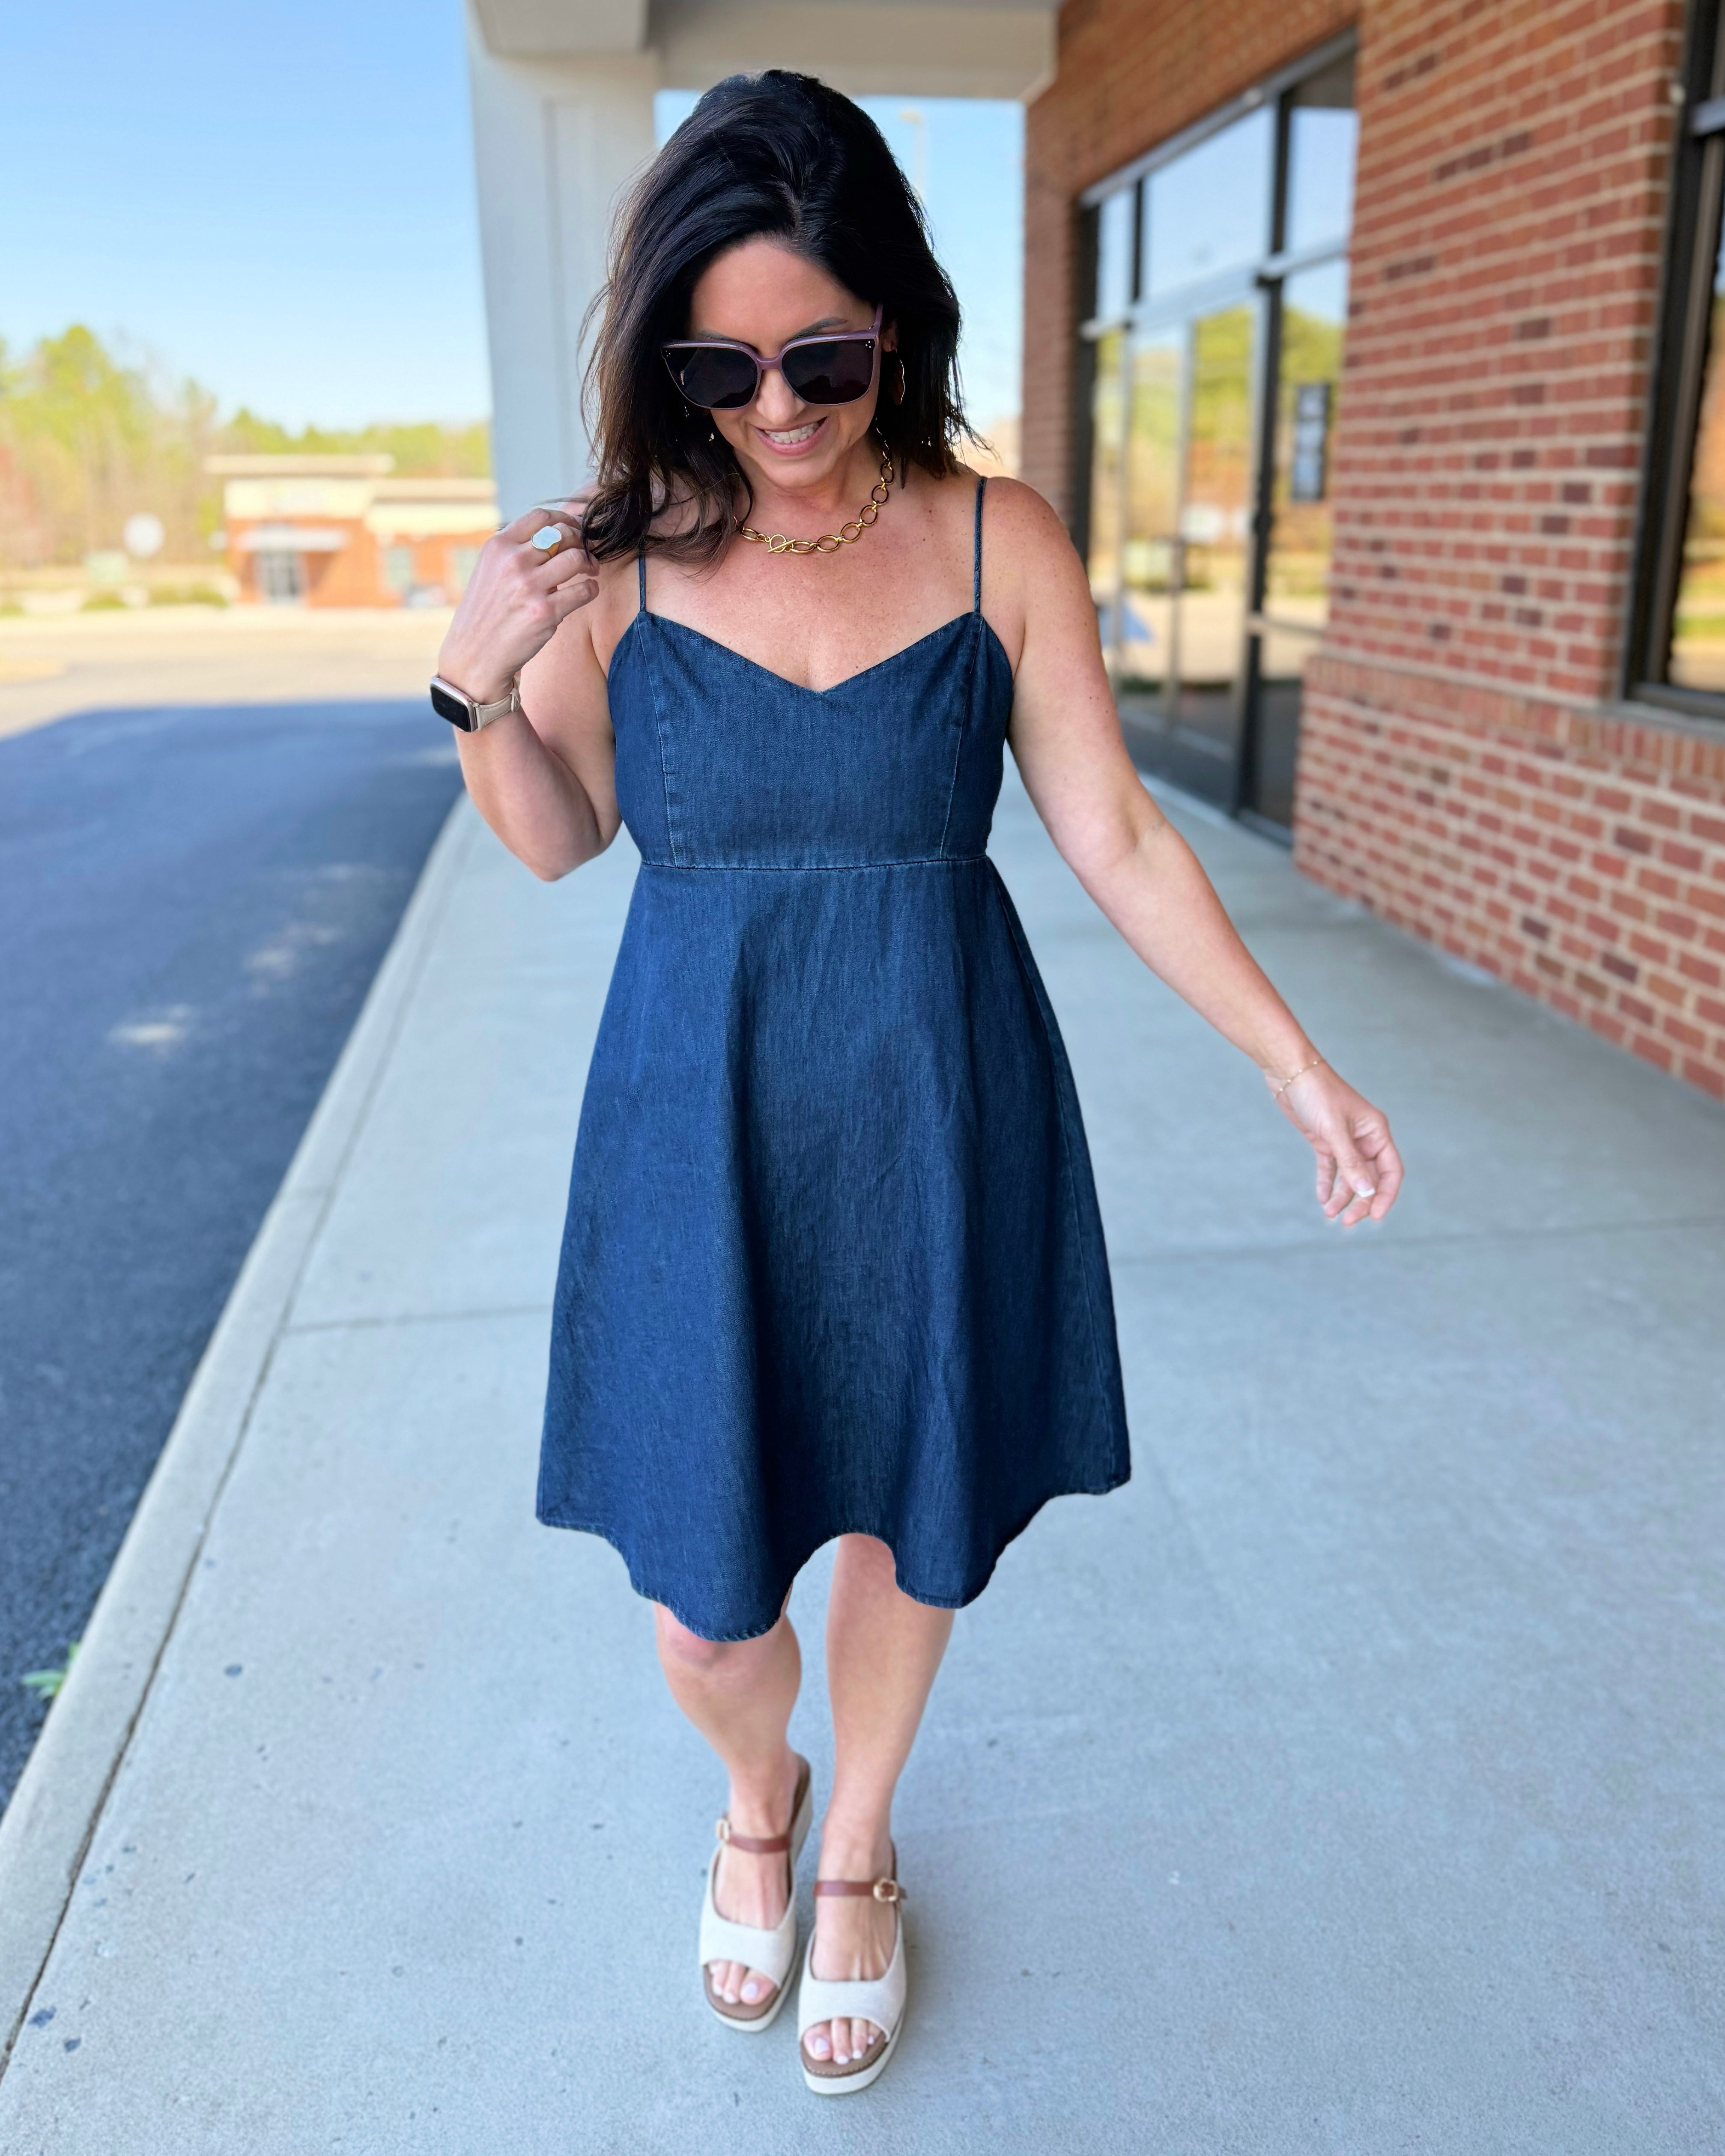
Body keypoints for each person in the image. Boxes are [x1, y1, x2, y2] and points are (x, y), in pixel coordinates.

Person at [431, 71, 1403, 2097]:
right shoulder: (614, 560)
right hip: (696, 1130)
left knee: (898, 1525)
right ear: (663, 356)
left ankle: (853, 1844)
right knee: (709, 1610)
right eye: (718, 363)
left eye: (822, 355)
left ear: (896, 317)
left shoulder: (994, 540)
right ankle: (758, 1790)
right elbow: (552, 832)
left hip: (930, 1100)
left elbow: (1120, 840)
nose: (774, 408)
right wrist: (467, 686)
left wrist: (1291, 1061)